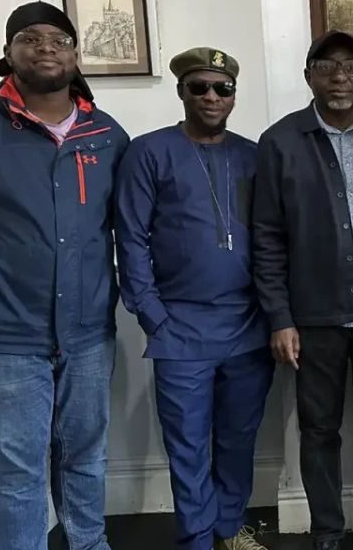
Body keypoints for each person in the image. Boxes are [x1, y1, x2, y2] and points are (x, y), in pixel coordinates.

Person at [0, 1, 129, 550]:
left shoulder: (106, 134)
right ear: (8, 54)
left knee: (85, 457)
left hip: (86, 333)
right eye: (29, 39)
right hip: (2, 336)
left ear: (76, 53)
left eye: (58, 39)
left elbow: (124, 228)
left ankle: (88, 543)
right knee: (18, 474)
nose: (45, 48)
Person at [252, 31, 353, 550]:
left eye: (350, 66)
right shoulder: (279, 143)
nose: (339, 75)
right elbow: (267, 237)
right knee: (318, 428)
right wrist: (279, 317)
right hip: (314, 315)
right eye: (326, 66)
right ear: (309, 77)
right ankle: (327, 529)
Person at [115, 47, 273, 550]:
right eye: (199, 87)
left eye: (221, 88)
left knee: (237, 438)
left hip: (248, 325)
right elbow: (131, 236)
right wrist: (153, 314)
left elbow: (272, 235)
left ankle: (229, 528)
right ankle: (198, 536)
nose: (211, 96)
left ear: (233, 95)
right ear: (181, 91)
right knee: (187, 444)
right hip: (179, 328)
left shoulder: (252, 156)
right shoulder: (148, 152)